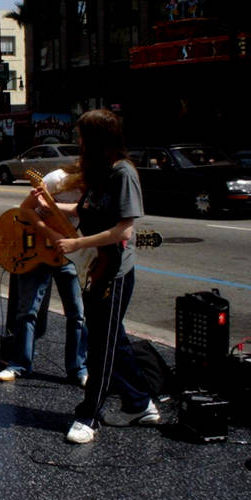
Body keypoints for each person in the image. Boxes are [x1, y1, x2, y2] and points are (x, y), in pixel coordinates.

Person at [41, 109, 159, 444]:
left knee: (101, 345)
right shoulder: (99, 171)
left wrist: (77, 242)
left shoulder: (123, 173)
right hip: (96, 267)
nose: (78, 142)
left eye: (82, 136)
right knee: (111, 339)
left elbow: (125, 228)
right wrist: (49, 205)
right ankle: (140, 402)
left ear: (98, 139)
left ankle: (89, 415)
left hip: (115, 270)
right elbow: (84, 210)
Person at [0, 167, 88, 386]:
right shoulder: (57, 179)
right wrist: (51, 233)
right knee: (27, 310)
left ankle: (78, 368)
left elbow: (85, 211)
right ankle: (19, 364)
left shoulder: (98, 187)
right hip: (38, 249)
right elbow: (25, 209)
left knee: (77, 313)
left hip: (68, 254)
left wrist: (55, 209)